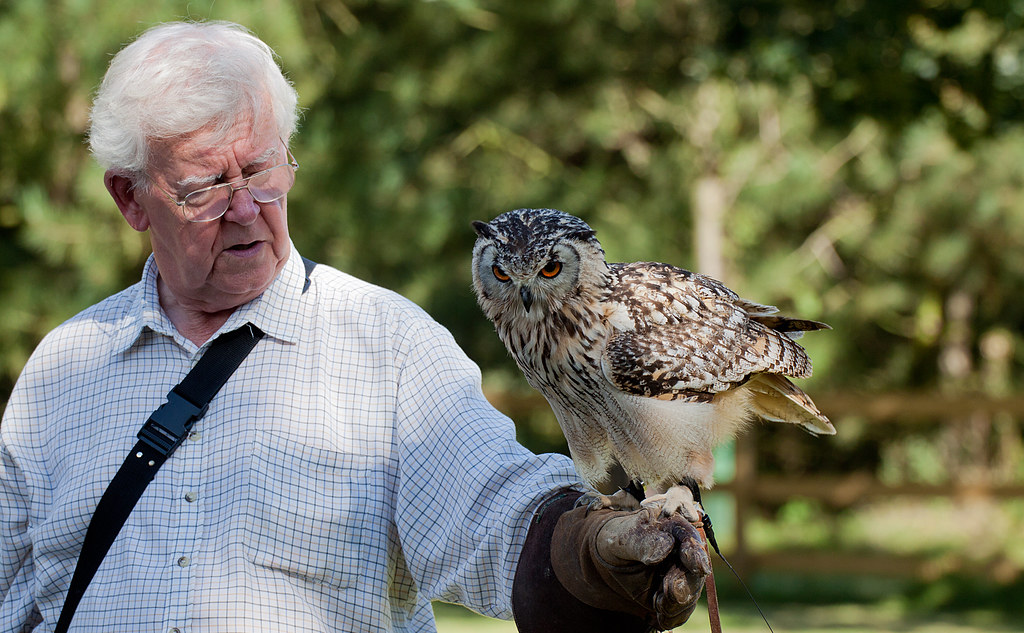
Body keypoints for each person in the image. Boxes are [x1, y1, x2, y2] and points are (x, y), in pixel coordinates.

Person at [0, 21, 709, 632]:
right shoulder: (61, 371)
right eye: (207, 187)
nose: (246, 208)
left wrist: (594, 549)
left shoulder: (386, 345)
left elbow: (492, 510)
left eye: (261, 169)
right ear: (130, 198)